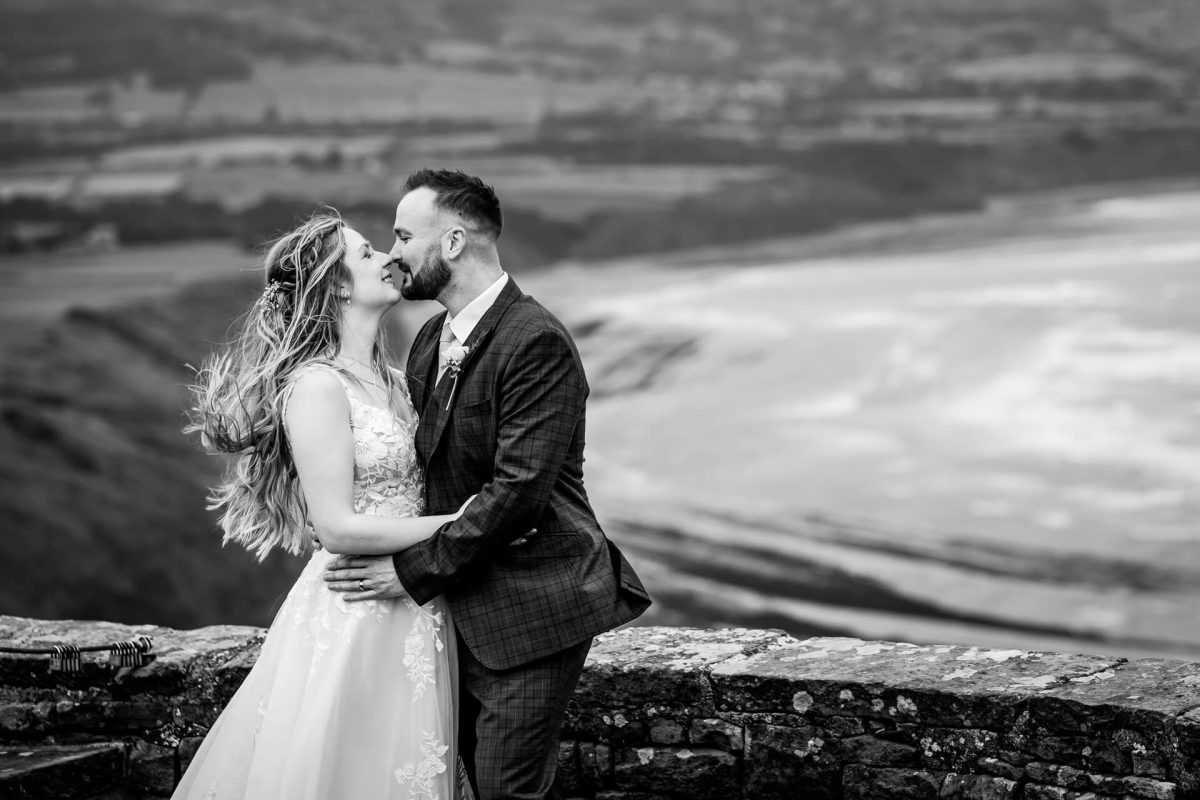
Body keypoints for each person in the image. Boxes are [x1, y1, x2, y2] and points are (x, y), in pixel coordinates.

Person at [322, 169, 651, 800]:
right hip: (457, 608)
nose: (392, 254)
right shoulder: (428, 340)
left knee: (504, 790)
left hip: (534, 603)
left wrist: (410, 572)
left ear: (450, 243)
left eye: (402, 235)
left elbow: (519, 493)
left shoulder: (536, 342)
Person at [177, 213, 466, 799]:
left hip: (418, 601)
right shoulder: (316, 386)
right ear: (335, 284)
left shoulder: (396, 379)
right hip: (356, 611)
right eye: (366, 255)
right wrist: (465, 524)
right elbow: (334, 526)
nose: (388, 257)